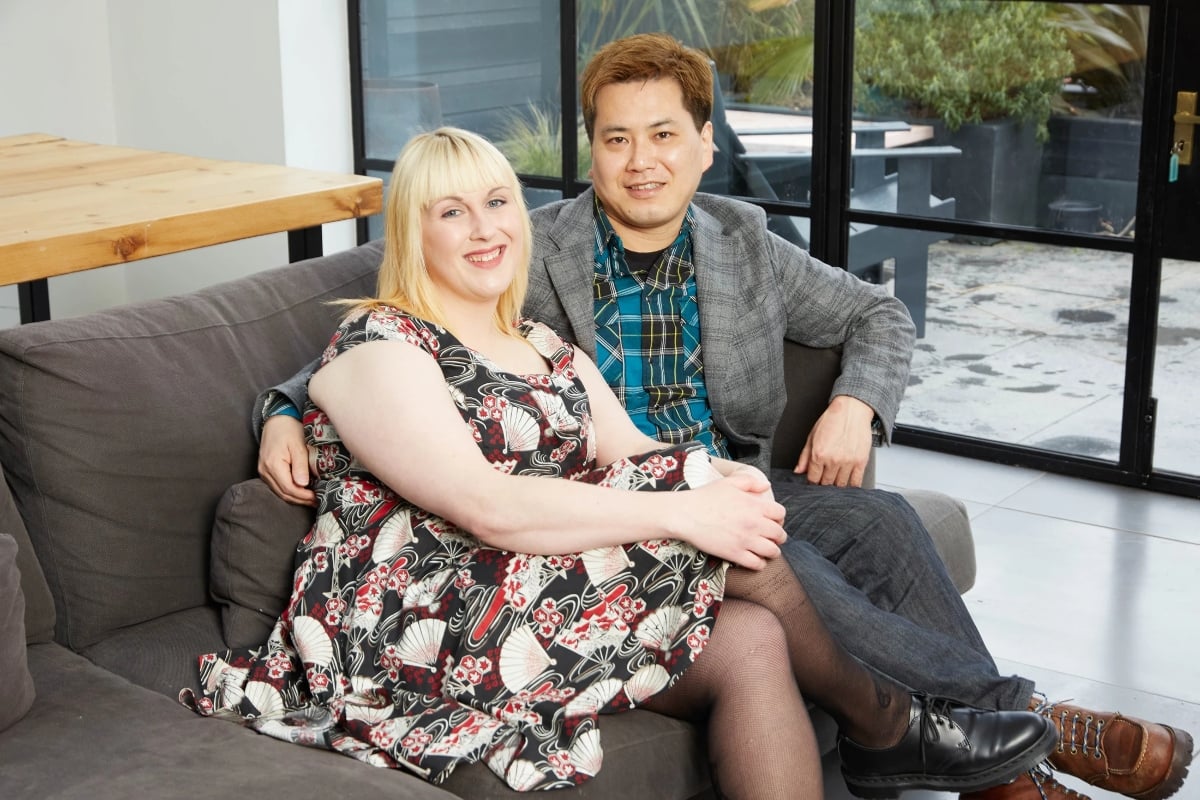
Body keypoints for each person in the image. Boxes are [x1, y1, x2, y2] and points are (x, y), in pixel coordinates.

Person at [254, 34, 1194, 800]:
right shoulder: (531, 251)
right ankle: (1022, 738)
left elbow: (879, 313)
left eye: (664, 135)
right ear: (592, 155)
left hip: (713, 471)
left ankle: (973, 740)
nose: (641, 161)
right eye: (617, 140)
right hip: (609, 508)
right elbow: (387, 340)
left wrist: (857, 406)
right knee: (763, 558)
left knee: (886, 519)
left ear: (706, 143)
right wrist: (283, 409)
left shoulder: (743, 240)